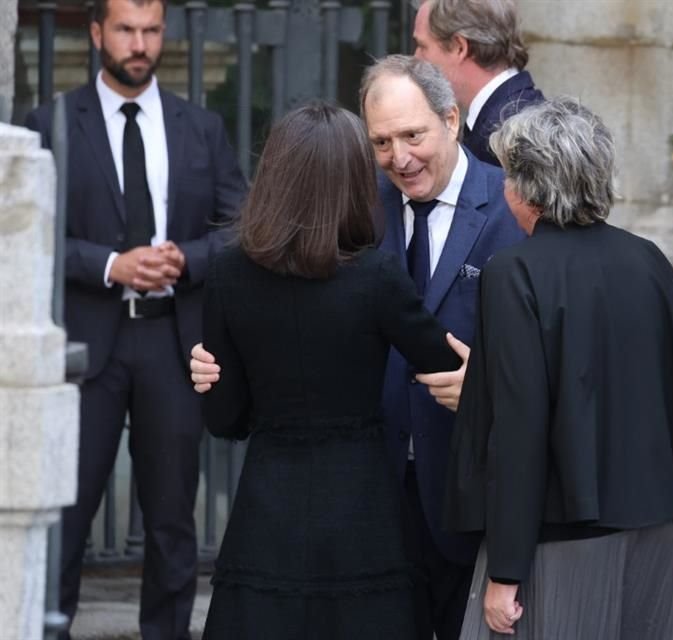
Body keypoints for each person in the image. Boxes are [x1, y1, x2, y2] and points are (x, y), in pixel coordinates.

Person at [190, 56, 525, 640]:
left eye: (412, 136)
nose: (399, 158)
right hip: (369, 504)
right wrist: (210, 370)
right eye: (381, 143)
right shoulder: (364, 223)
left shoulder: (514, 207)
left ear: (451, 120)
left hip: (453, 494)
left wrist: (488, 381)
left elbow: (226, 417)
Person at [444, 99, 673, 639]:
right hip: (656, 522)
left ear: (527, 188)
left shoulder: (514, 271)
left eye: (508, 175)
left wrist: (504, 572)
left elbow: (518, 428)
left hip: (562, 536)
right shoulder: (648, 259)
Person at [24, 1, 246, 638]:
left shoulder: (200, 128)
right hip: (85, 348)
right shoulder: (52, 122)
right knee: (64, 514)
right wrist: (110, 265)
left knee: (173, 520)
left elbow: (240, 227)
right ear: (98, 33)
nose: (140, 44)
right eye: (126, 29)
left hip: (171, 344)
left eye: (151, 30)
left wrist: (188, 259)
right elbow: (29, 233)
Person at [412, 0, 544, 167]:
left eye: (422, 46)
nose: (416, 57)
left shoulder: (508, 138)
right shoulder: (513, 116)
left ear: (459, 47)